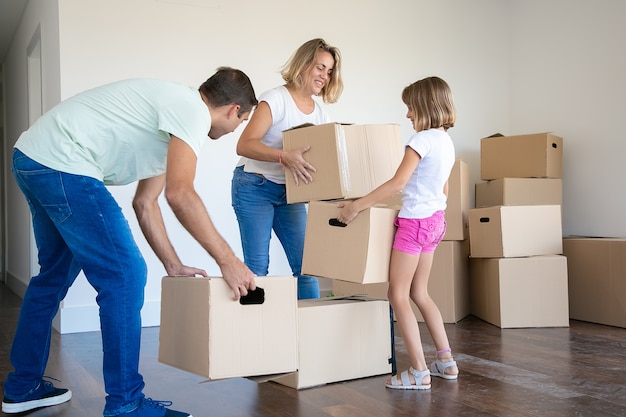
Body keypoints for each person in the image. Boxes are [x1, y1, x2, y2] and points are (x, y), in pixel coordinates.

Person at [3, 68, 258, 417]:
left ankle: (23, 387)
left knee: (53, 277)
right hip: (64, 163)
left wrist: (172, 263)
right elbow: (181, 194)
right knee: (124, 275)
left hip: (35, 158)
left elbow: (146, 203)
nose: (234, 131)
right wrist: (229, 261)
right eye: (241, 122)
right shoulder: (191, 111)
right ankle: (126, 404)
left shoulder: (172, 123)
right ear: (233, 110)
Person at [337, 76, 459, 390]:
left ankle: (419, 372)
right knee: (420, 293)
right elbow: (442, 187)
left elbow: (397, 183)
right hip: (435, 221)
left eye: (410, 108)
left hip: (415, 225)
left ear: (425, 106)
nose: (408, 115)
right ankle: (446, 362)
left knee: (398, 295)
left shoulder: (420, 140)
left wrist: (356, 206)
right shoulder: (446, 141)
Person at [231, 38, 344, 299]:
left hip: (289, 194)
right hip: (254, 186)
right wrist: (284, 157)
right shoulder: (276, 99)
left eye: (329, 71)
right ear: (303, 64)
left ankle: (309, 328)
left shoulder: (319, 114)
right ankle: (255, 332)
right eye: (320, 68)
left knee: (307, 267)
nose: (324, 76)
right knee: (258, 268)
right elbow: (244, 145)